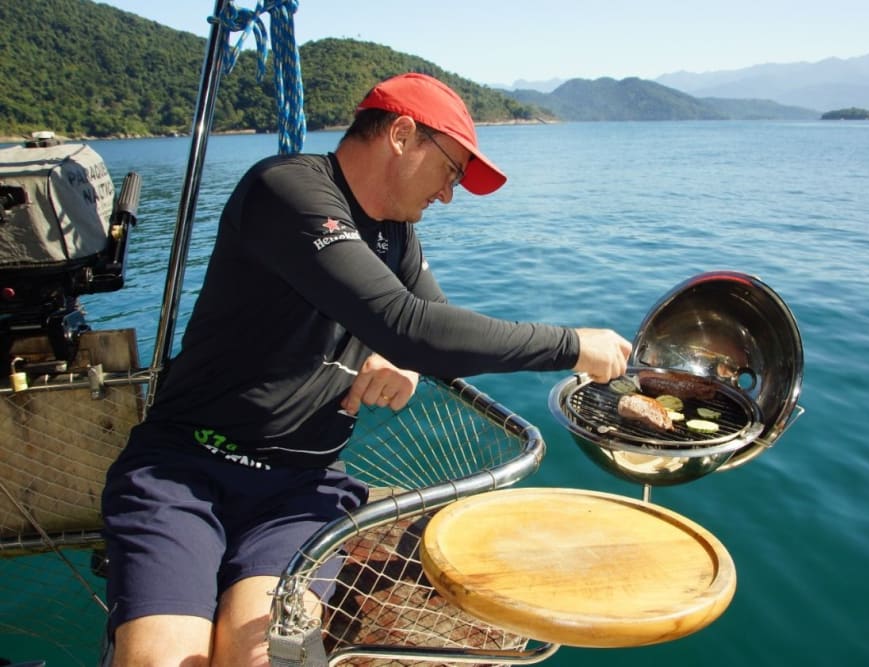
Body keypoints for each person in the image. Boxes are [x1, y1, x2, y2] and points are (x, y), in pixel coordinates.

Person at [100, 72, 632, 666]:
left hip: (300, 488)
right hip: (185, 468)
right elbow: (409, 325)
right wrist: (571, 344)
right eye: (451, 171)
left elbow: (432, 328)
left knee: (259, 658)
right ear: (402, 136)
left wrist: (406, 360)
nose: (448, 195)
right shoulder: (287, 190)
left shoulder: (397, 236)